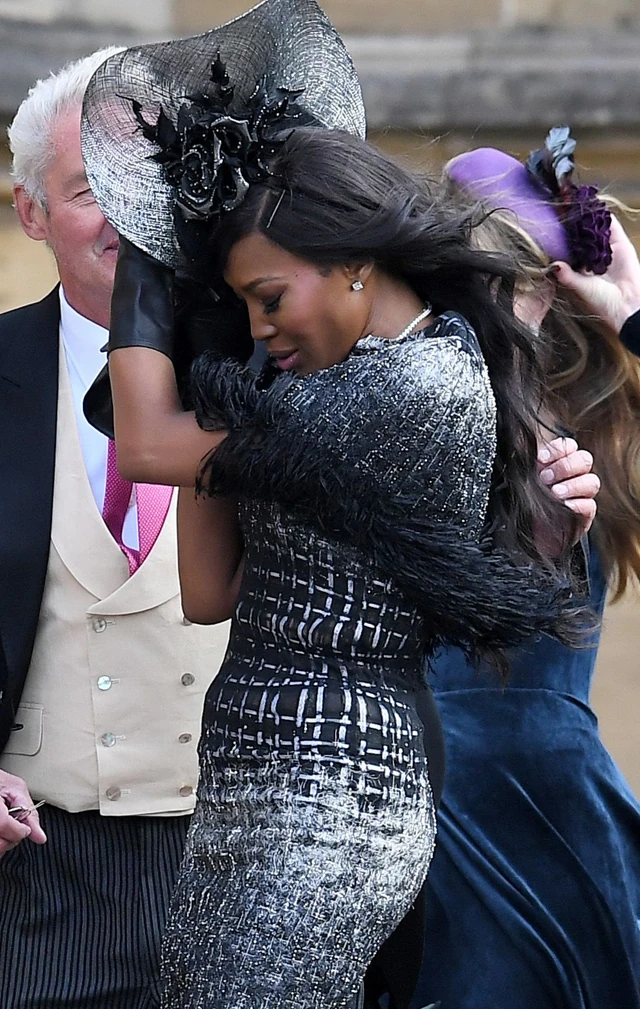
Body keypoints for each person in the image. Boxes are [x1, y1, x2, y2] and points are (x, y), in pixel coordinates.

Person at [81, 15, 594, 1003]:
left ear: (353, 258)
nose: (261, 326)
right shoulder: (324, 388)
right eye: (245, 304)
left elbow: (145, 444)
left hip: (332, 796)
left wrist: (149, 263)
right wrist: (221, 362)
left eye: (270, 297)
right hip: (252, 783)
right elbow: (208, 592)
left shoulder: (415, 388)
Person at [0, 48, 231, 1009]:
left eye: (150, 177)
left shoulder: (270, 359)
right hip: (41, 875)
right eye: (93, 188)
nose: (131, 209)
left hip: (241, 862)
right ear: (31, 213)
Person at [411, 133, 640, 1009]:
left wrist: (631, 313)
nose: (491, 299)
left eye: (509, 275)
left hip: (559, 794)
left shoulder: (594, 423)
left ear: (551, 283)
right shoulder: (398, 401)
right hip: (433, 796)